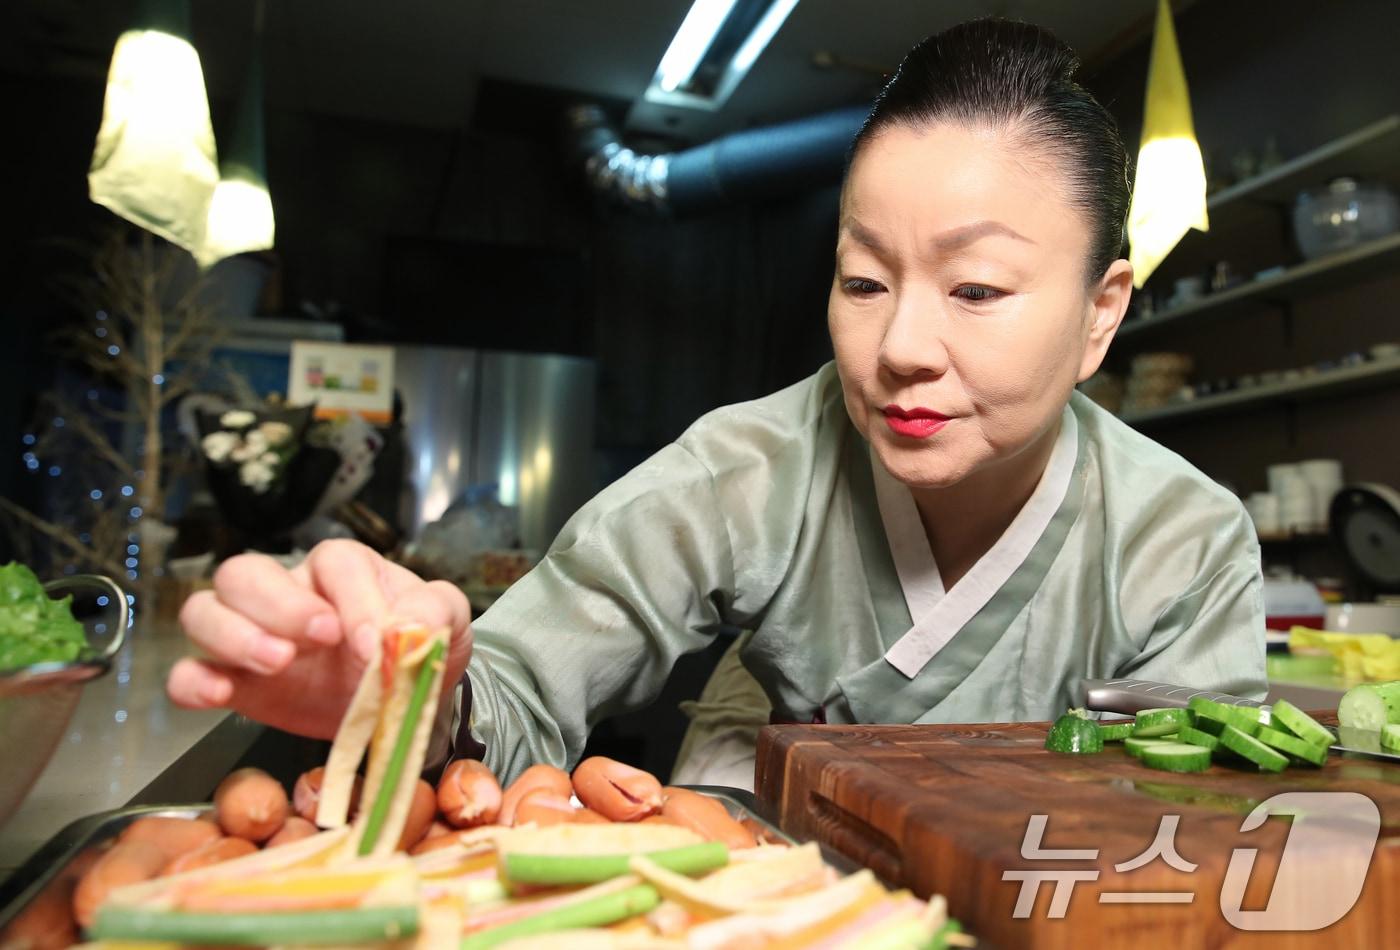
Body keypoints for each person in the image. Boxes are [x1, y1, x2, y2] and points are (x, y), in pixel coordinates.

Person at [167, 19, 1267, 789]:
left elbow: (1188, 834)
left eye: (974, 289)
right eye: (862, 279)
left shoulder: (1181, 536)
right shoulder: (748, 466)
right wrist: (419, 691)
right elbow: (516, 683)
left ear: (1097, 313)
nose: (897, 348)